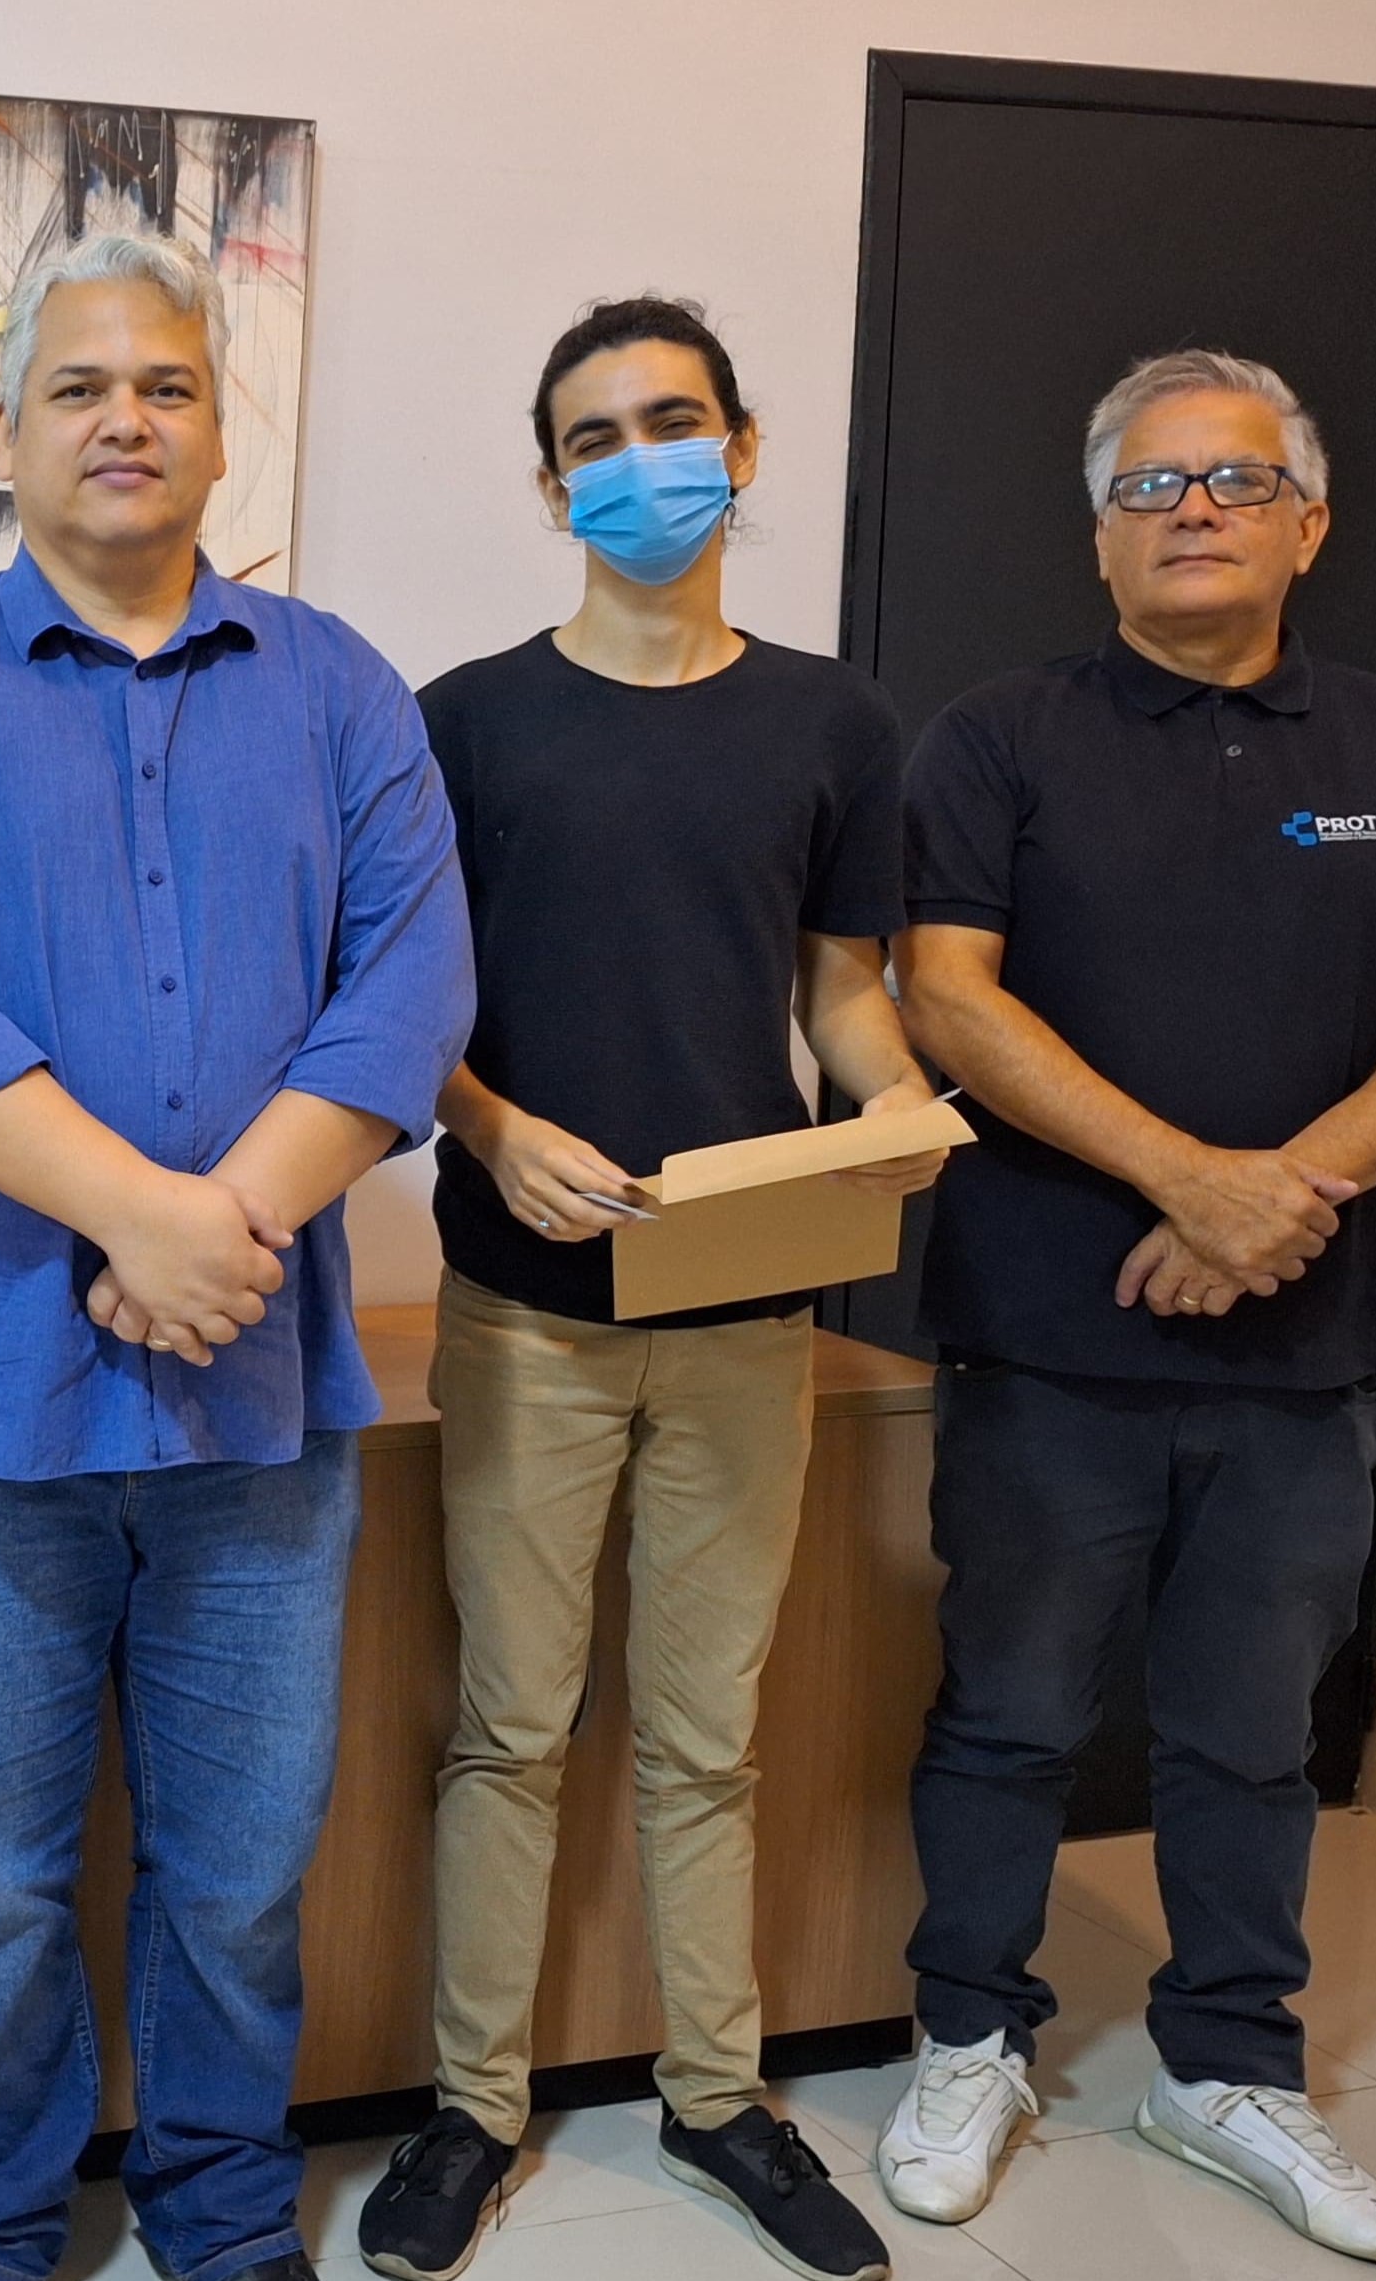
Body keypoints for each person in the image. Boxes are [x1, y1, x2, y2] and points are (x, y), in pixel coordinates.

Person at [0, 230, 471, 2281]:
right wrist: (143, 1217)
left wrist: (215, 1227)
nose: (125, 420)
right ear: (6, 431)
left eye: (165, 385)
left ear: (215, 427)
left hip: (258, 1395)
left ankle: (223, 2209)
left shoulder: (341, 687)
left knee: (242, 1869)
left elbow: (410, 990)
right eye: (79, 387)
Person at [872, 350, 1376, 2265]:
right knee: (1009, 1712)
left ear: (1309, 523)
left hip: (1308, 1346)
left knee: (1254, 1729)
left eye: (1237, 480)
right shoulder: (997, 739)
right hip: (1046, 1340)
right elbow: (949, 998)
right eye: (1149, 486)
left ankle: (1230, 2064)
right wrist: (1190, 1179)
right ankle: (969, 2039)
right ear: (1099, 537)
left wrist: (1277, 1201)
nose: (1193, 512)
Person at [355, 298, 938, 2281]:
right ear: (551, 486)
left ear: (742, 447)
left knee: (709, 1736)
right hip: (527, 1303)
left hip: (749, 1307)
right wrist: (492, 1122)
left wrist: (898, 1105)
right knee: (509, 1728)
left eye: (672, 422)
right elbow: (403, 1004)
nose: (638, 463)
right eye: (594, 438)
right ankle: (471, 2109)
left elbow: (843, 992)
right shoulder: (464, 722)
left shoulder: (836, 726)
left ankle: (721, 2096)